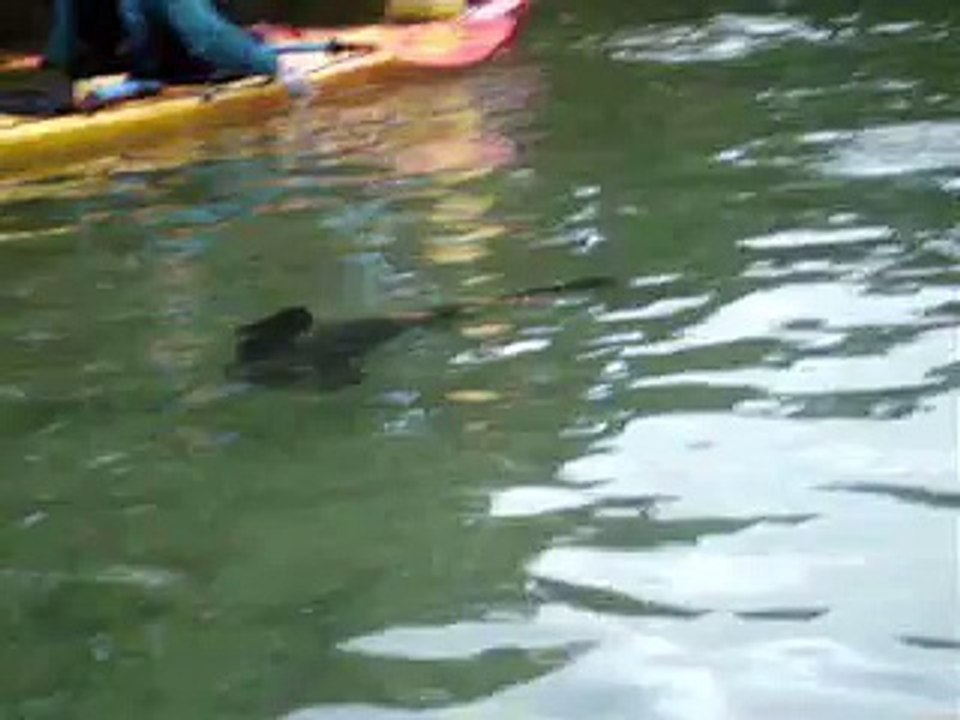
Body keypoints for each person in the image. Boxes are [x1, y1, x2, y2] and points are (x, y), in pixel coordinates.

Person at [43, 0, 304, 88]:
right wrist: (278, 66)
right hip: (185, 72)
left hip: (101, 68)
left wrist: (58, 70)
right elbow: (207, 40)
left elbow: (64, 42)